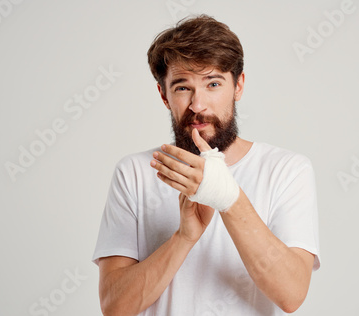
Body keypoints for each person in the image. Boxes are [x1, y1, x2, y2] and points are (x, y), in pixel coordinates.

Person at [92, 14, 320, 316]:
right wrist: (183, 238)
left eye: (213, 83)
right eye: (182, 87)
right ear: (164, 95)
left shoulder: (286, 170)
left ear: (238, 86)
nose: (198, 105)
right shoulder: (135, 172)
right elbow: (115, 307)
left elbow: (291, 295)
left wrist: (228, 200)